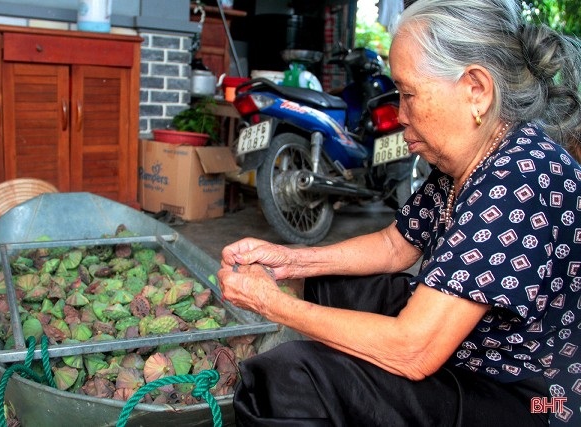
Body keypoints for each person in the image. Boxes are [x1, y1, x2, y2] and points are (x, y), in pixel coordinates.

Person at [217, 0, 581, 425]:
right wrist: (289, 261)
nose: (399, 114)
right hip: (481, 349)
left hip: (534, 399)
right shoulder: (468, 159)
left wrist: (271, 303)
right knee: (330, 285)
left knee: (290, 378)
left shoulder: (519, 178)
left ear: (476, 89)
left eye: (408, 94)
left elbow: (415, 350)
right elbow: (396, 244)